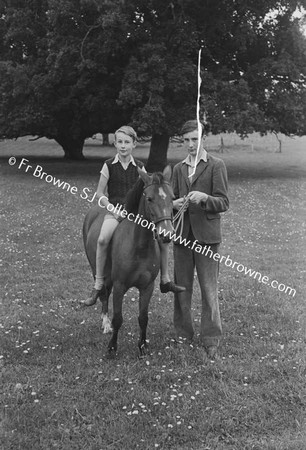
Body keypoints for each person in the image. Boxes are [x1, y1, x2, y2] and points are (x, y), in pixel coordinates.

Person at [84, 125, 184, 306]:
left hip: (133, 215)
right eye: (120, 142)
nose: (123, 146)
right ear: (115, 143)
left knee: (162, 238)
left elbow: (148, 190)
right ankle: (98, 283)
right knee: (102, 239)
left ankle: (165, 279)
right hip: (114, 211)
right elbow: (99, 193)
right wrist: (112, 208)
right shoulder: (108, 165)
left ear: (134, 144)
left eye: (127, 142)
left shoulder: (139, 167)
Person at [172, 120, 229, 358]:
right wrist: (174, 204)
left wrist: (204, 198)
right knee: (181, 289)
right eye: (186, 140)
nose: (190, 144)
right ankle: (183, 334)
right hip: (182, 237)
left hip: (207, 238)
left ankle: (211, 338)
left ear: (203, 139)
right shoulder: (178, 169)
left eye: (195, 139)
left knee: (208, 289)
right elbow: (171, 201)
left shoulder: (216, 165)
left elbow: (223, 203)